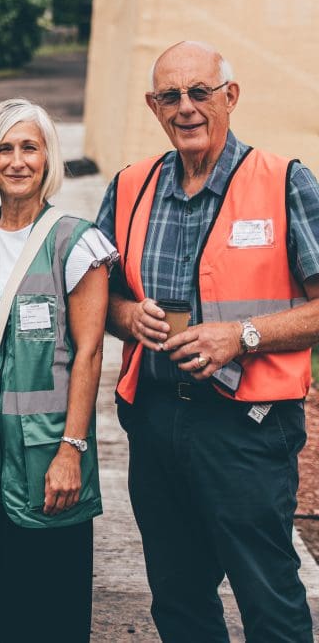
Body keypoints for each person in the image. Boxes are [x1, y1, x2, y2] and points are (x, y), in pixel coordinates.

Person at [96, 41, 319, 641]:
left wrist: (242, 336)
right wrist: (125, 316)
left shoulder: (285, 182)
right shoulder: (130, 186)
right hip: (156, 418)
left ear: (231, 98)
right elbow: (94, 297)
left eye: (201, 93)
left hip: (246, 425)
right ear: (153, 105)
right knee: (177, 596)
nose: (186, 107)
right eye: (170, 96)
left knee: (267, 593)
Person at [0, 98, 113, 642]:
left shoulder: (76, 240)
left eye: (29, 148)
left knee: (50, 614)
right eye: (4, 149)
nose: (17, 161)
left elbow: (89, 353)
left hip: (49, 461)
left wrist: (72, 451)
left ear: (47, 158)